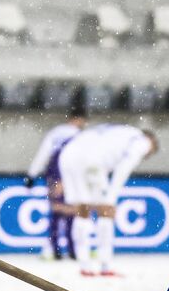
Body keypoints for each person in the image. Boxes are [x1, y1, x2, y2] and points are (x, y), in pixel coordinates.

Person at [57, 124, 159, 277]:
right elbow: (124, 168)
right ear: (150, 140)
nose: (148, 155)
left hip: (68, 155)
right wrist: (111, 197)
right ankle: (105, 265)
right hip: (92, 161)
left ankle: (85, 265)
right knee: (106, 211)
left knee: (82, 210)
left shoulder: (120, 131)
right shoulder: (142, 141)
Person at [23, 104, 87, 259]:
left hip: (54, 174)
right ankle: (73, 251)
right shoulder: (80, 136)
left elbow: (43, 154)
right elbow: (81, 159)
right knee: (73, 212)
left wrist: (32, 175)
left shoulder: (55, 133)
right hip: (70, 175)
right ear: (79, 119)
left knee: (56, 211)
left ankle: (56, 249)